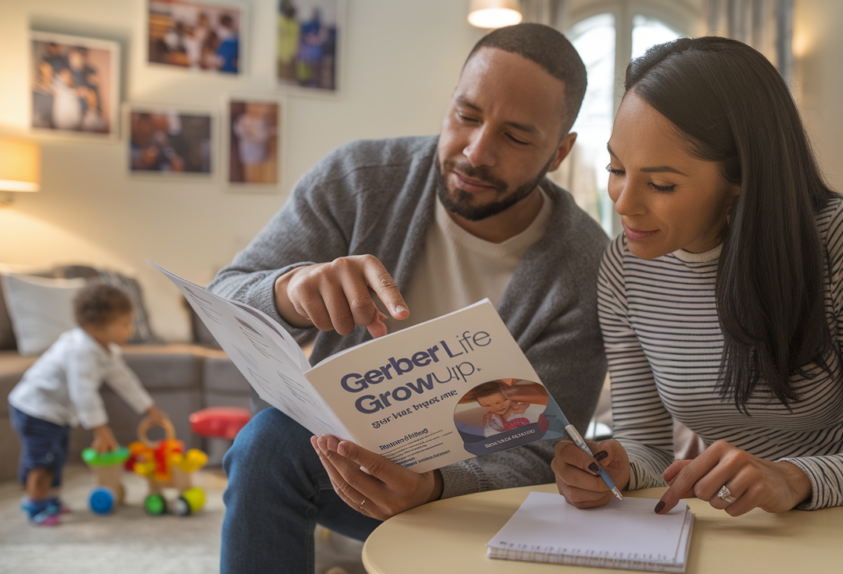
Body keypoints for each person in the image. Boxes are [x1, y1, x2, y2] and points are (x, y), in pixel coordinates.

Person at [208, 23, 608, 573]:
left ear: (560, 152)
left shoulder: (585, 267)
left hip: (474, 499)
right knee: (269, 443)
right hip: (345, 467)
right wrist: (290, 291)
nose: (476, 151)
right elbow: (224, 298)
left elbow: (541, 450)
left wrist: (435, 484)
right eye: (466, 116)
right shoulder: (360, 180)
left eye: (516, 137)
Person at [552, 36, 843, 518]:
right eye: (616, 167)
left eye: (662, 184)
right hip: (745, 527)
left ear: (740, 180)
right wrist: (618, 466)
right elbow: (648, 447)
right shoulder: (623, 268)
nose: (623, 202)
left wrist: (793, 477)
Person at [7, 284, 170, 525]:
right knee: (44, 460)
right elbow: (83, 393)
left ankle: (49, 498)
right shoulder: (81, 350)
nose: (130, 330)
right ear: (95, 327)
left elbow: (124, 380)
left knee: (57, 457)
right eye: (125, 324)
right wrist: (100, 430)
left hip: (55, 413)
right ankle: (36, 505)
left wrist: (148, 407)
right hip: (36, 409)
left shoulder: (105, 350)